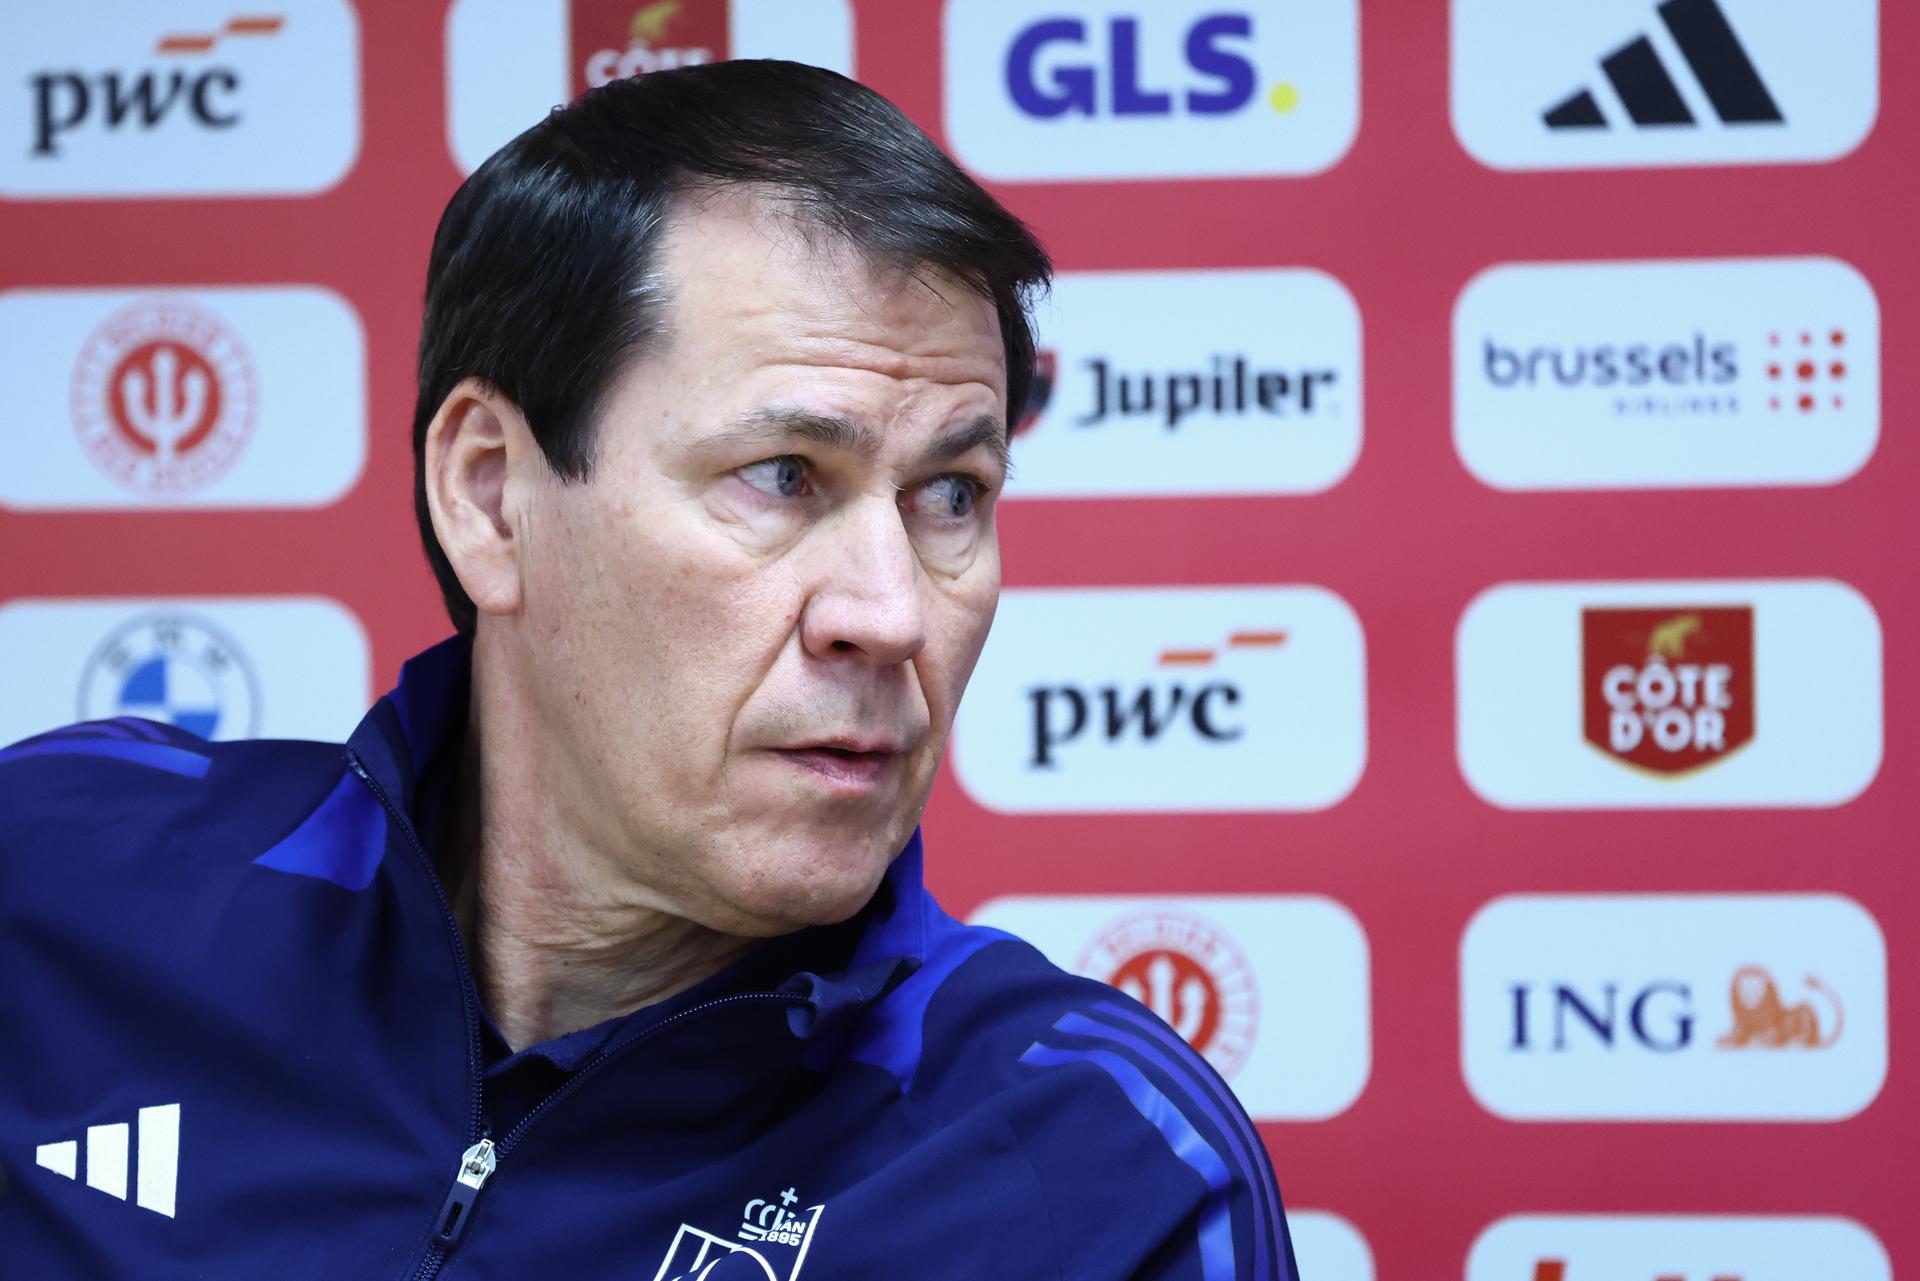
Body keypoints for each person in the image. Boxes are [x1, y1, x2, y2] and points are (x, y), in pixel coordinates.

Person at [0, 61, 1297, 1280]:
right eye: (785, 477)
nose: (891, 612)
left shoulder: (1101, 1164)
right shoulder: (56, 883)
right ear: (493, 496)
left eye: (951, 493)